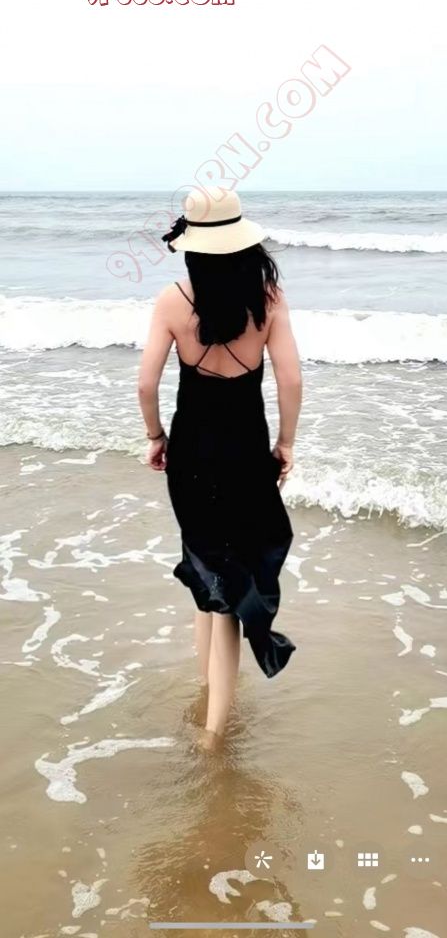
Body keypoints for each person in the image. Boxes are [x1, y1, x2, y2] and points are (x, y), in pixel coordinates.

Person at [138, 188, 302, 750]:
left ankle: (209, 690)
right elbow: (290, 380)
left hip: (191, 454)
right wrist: (285, 443)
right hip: (247, 454)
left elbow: (145, 384)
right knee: (231, 582)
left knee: (206, 564)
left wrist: (156, 438)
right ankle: (214, 734)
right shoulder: (268, 299)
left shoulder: (173, 300)